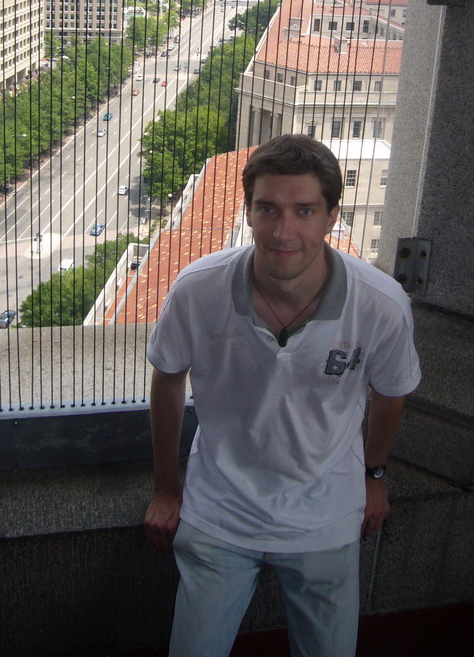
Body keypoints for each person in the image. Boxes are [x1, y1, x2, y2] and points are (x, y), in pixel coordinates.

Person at [144, 134, 420, 657]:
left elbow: (391, 393)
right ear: (247, 211)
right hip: (219, 513)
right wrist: (166, 487)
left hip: (327, 517)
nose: (283, 231)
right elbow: (167, 379)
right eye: (267, 208)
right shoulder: (197, 289)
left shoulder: (381, 304)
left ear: (332, 216)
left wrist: (374, 476)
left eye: (304, 211)